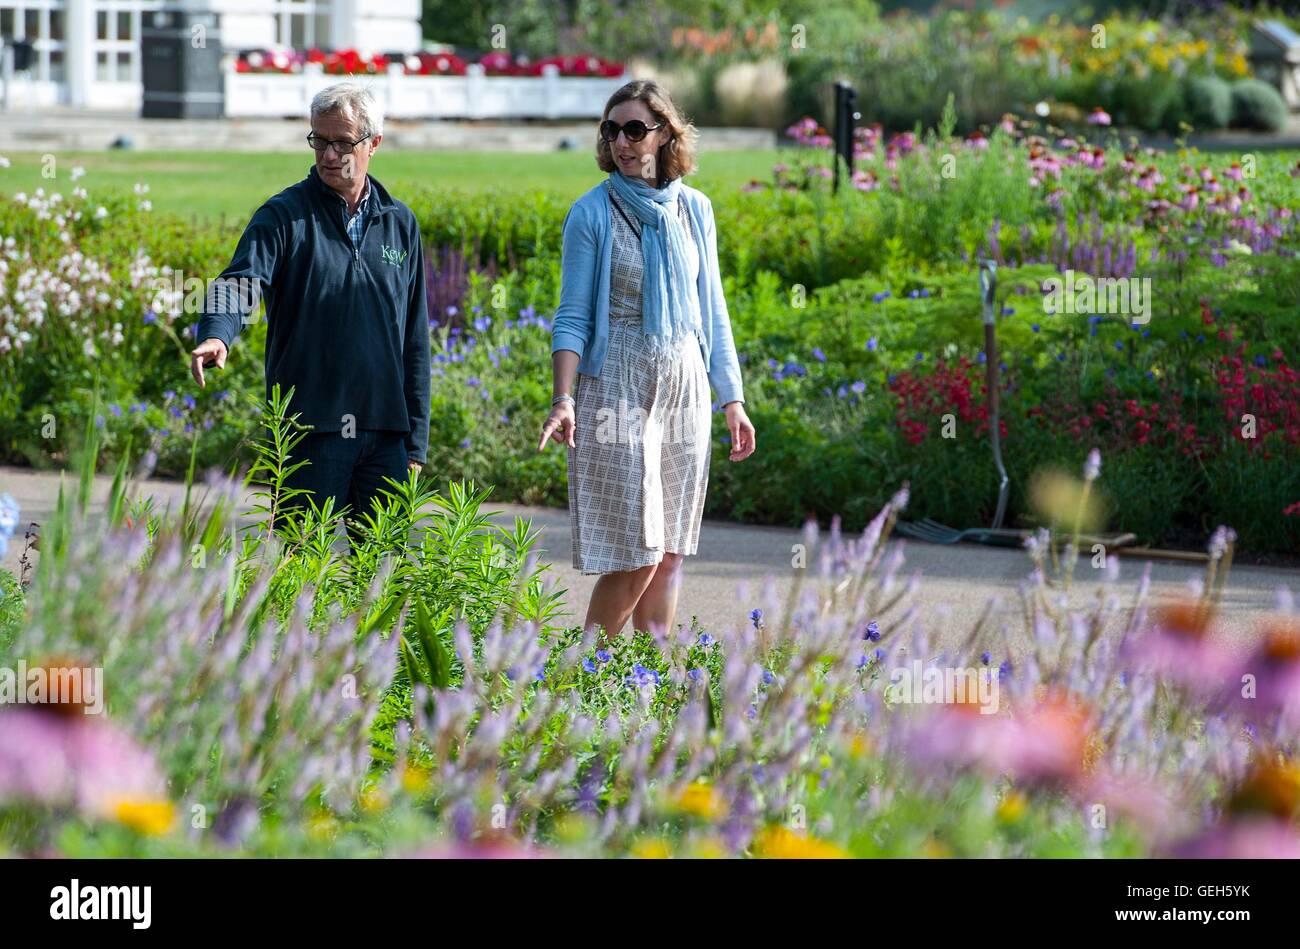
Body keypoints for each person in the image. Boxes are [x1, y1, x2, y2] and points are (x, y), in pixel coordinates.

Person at [537, 78, 756, 642]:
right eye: (612, 131)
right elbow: (572, 316)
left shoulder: (695, 210)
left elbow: (713, 311)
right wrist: (563, 399)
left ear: (664, 135)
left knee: (672, 551)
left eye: (635, 130)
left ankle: (647, 681)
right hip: (616, 386)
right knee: (638, 549)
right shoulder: (591, 213)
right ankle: (583, 674)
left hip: (685, 383)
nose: (623, 143)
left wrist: (731, 398)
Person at [190, 82, 430, 537]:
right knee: (301, 571)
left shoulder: (400, 223)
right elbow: (241, 279)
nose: (329, 154)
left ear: (373, 144)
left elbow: (415, 338)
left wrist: (414, 442)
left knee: (384, 576)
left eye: (343, 142)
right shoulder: (284, 215)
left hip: (385, 433)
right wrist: (217, 332)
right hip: (309, 429)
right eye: (320, 140)